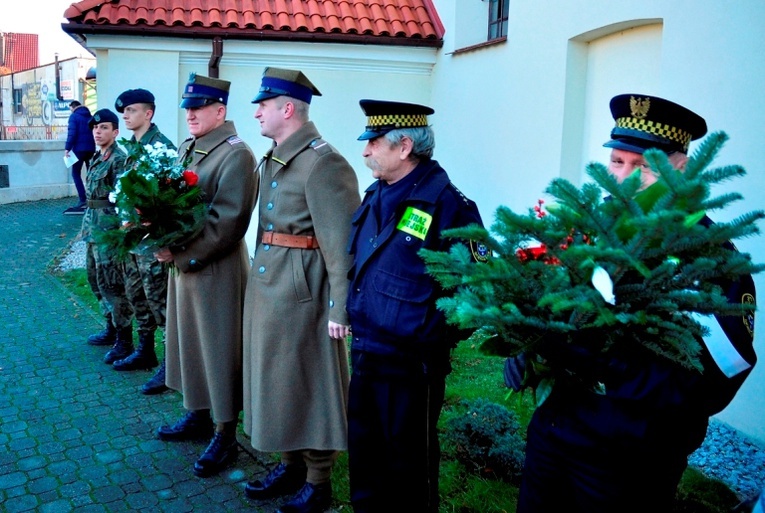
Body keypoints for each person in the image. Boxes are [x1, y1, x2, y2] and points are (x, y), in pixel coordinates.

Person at [514, 94, 758, 513]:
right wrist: (527, 348)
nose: (624, 179)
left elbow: (714, 382)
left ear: (680, 167)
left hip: (628, 460)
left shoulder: (711, 260)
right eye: (617, 162)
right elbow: (540, 303)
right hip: (553, 434)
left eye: (642, 167)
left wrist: (609, 367)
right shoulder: (585, 230)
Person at [345, 100, 486, 513]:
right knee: (366, 453)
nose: (365, 151)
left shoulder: (449, 205)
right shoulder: (377, 194)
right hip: (368, 351)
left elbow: (476, 289)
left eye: (373, 142)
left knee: (409, 464)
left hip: (411, 364)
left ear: (404, 146)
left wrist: (429, 335)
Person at [241, 67, 360, 513]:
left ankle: (318, 479)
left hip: (303, 291)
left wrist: (339, 309)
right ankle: (289, 463)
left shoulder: (322, 161)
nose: (256, 113)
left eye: (264, 105)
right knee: (277, 380)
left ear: (286, 109)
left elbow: (340, 248)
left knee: (309, 380)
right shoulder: (275, 155)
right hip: (269, 287)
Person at [154, 73, 258, 478]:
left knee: (218, 349)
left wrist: (179, 252)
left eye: (198, 109)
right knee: (187, 344)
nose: (190, 115)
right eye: (188, 109)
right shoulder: (189, 147)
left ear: (221, 110)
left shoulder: (236, 155)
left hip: (215, 268)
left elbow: (227, 223)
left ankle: (225, 432)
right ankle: (197, 412)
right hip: (184, 265)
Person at [110, 88, 176, 396]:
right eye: (124, 111)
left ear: (148, 114)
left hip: (152, 241)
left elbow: (172, 197)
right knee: (138, 296)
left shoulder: (160, 147)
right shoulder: (130, 147)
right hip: (133, 240)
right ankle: (145, 350)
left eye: (132, 110)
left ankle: (169, 366)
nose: (125, 115)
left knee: (160, 301)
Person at [81, 109, 135, 364]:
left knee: (113, 285)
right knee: (95, 280)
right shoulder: (96, 157)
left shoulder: (118, 160)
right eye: (95, 128)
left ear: (115, 132)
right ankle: (111, 328)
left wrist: (120, 232)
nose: (97, 131)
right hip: (93, 229)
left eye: (103, 127)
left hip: (109, 232)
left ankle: (125, 340)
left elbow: (123, 199)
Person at [64, 100, 96, 215]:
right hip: (91, 149)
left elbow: (72, 133)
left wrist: (67, 148)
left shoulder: (74, 117)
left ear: (73, 107)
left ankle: (82, 200)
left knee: (76, 174)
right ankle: (92, 197)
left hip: (78, 150)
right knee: (91, 174)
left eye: (70, 109)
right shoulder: (90, 117)